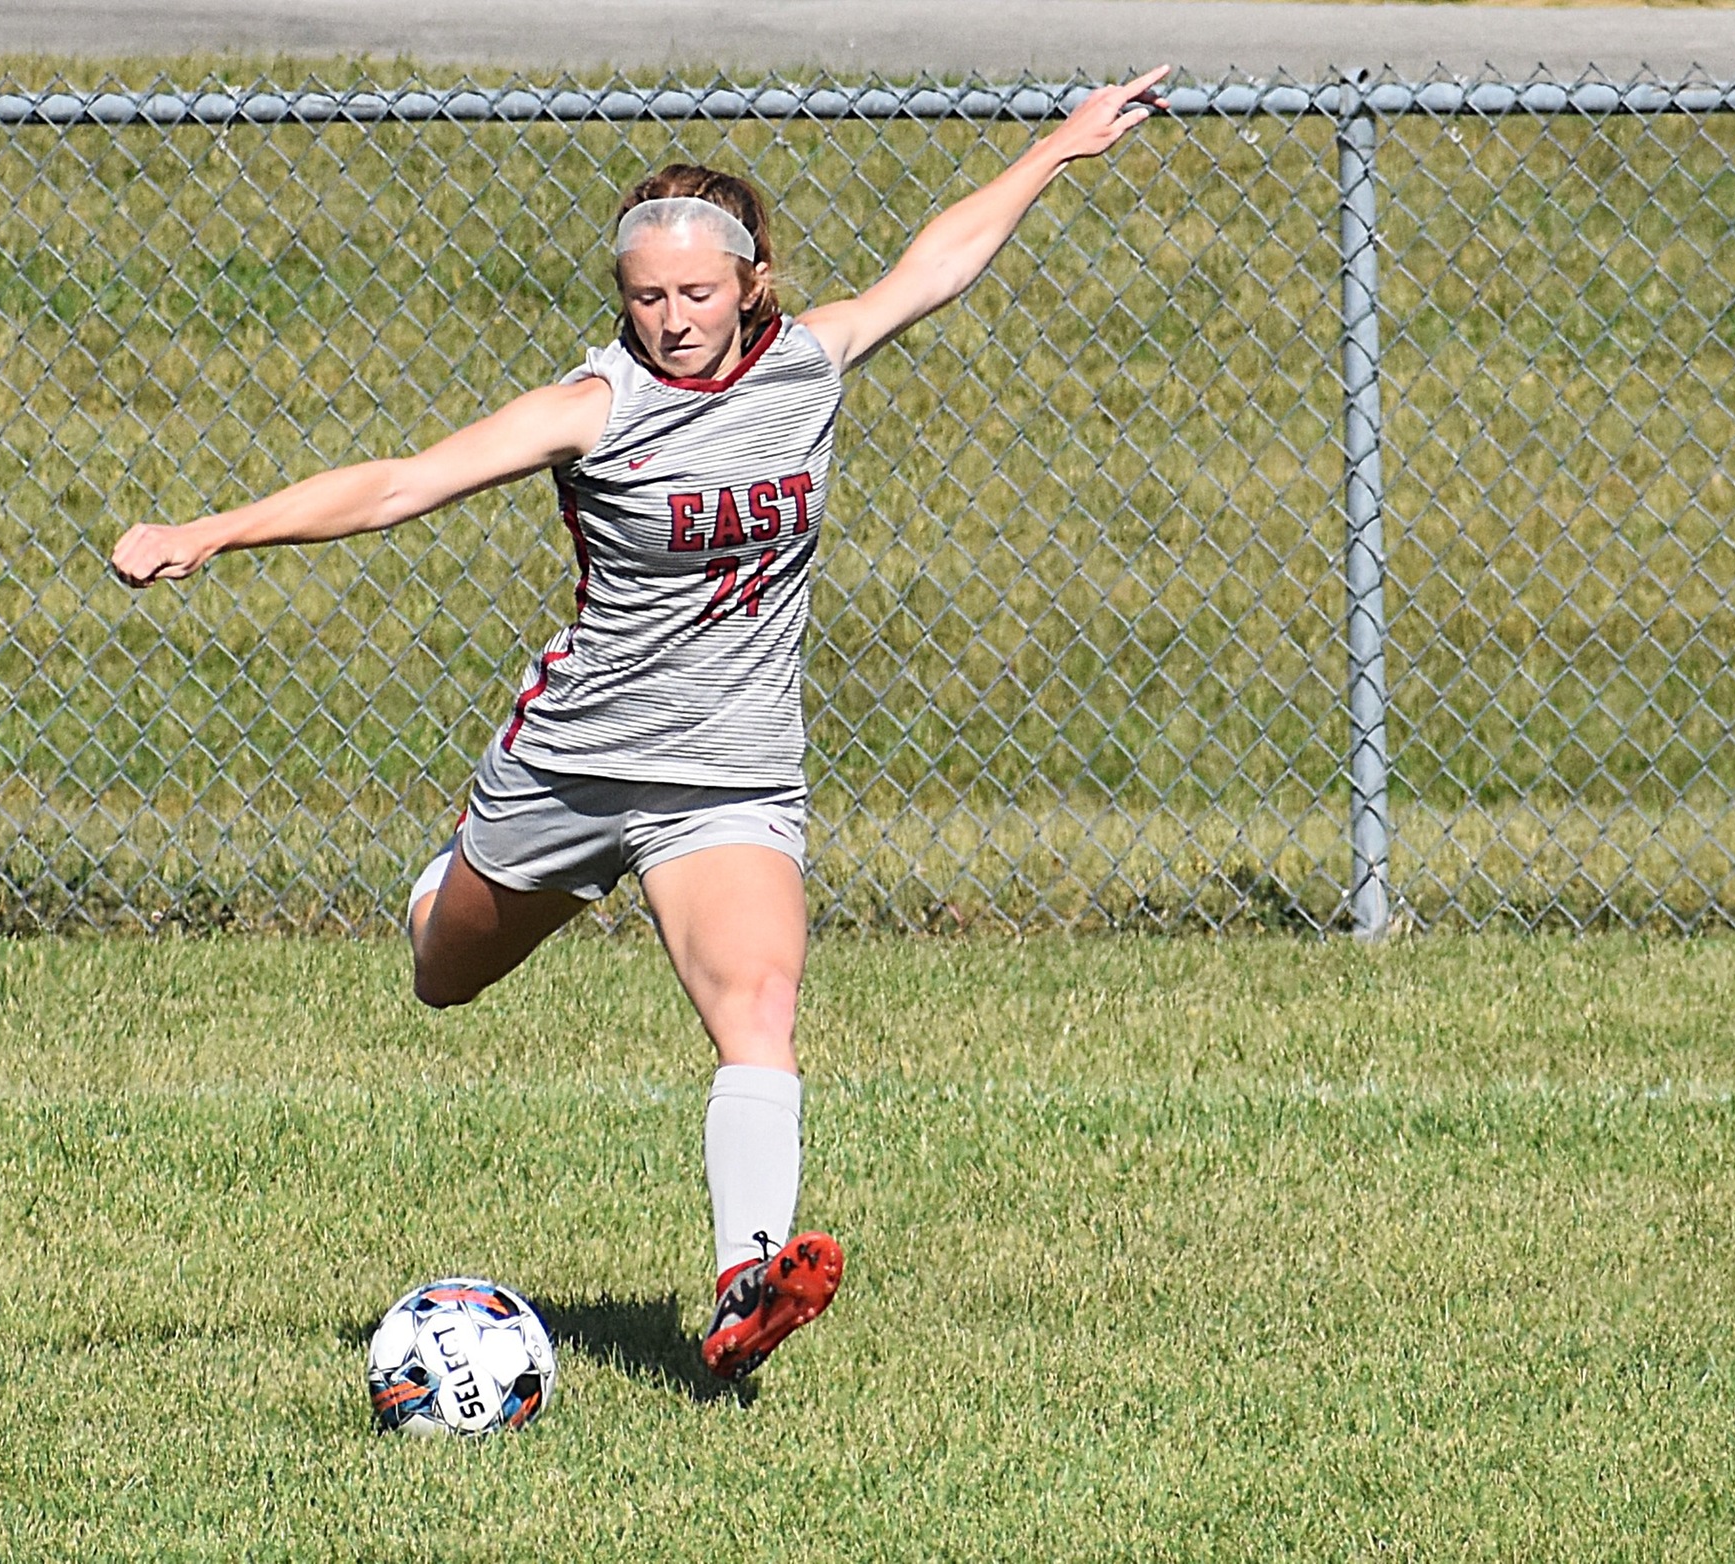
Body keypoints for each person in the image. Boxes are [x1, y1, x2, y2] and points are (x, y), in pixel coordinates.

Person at [112, 67, 1171, 1381]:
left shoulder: (808, 362)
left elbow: (935, 264)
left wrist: (1057, 151)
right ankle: (449, 875)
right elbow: (397, 485)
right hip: (572, 766)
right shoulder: (593, 409)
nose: (670, 320)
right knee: (444, 973)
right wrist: (207, 531)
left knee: (760, 1004)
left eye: (696, 293)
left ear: (755, 282)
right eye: (646, 296)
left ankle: (745, 1281)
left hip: (726, 774)